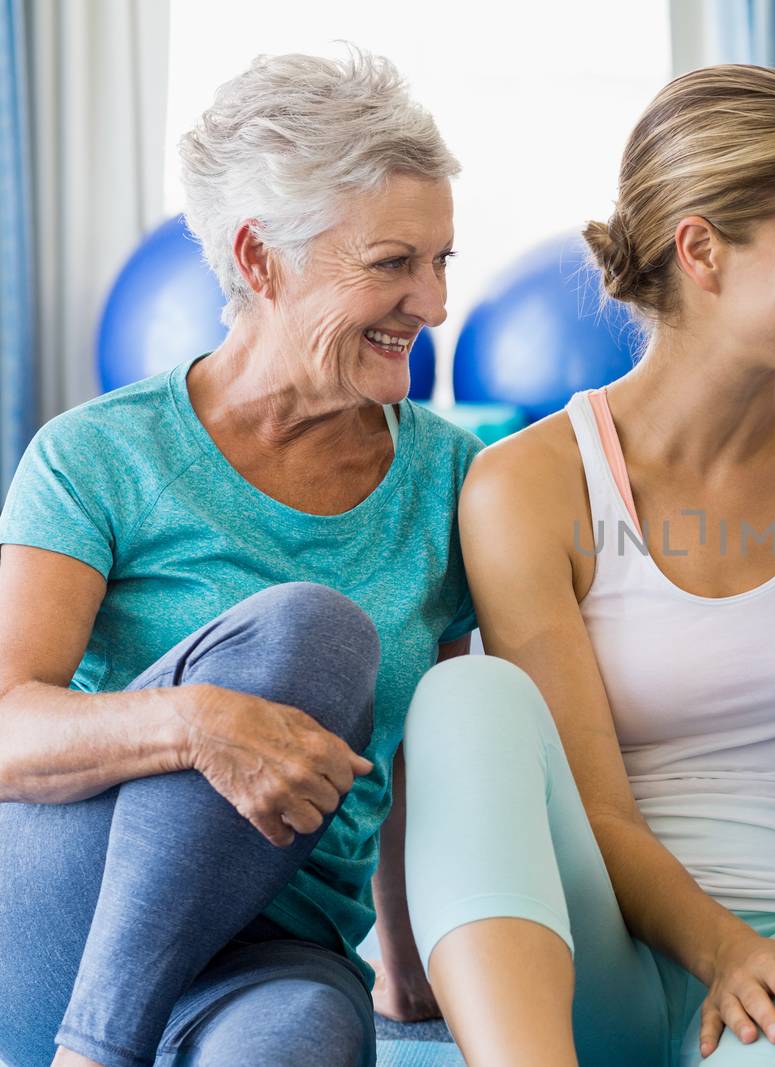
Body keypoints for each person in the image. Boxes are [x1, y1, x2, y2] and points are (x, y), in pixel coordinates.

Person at [379, 65, 775, 1066]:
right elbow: (598, 807)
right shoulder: (529, 484)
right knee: (464, 695)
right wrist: (721, 948)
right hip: (599, 957)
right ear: (701, 249)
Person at [0, 50, 479, 1067]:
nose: (432, 303)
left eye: (443, 261)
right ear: (260, 260)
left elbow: (434, 748)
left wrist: (405, 965)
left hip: (271, 951)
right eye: (393, 263)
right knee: (310, 634)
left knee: (301, 1040)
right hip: (61, 921)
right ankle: (96, 1051)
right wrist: (198, 720)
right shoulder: (100, 453)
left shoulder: (448, 478)